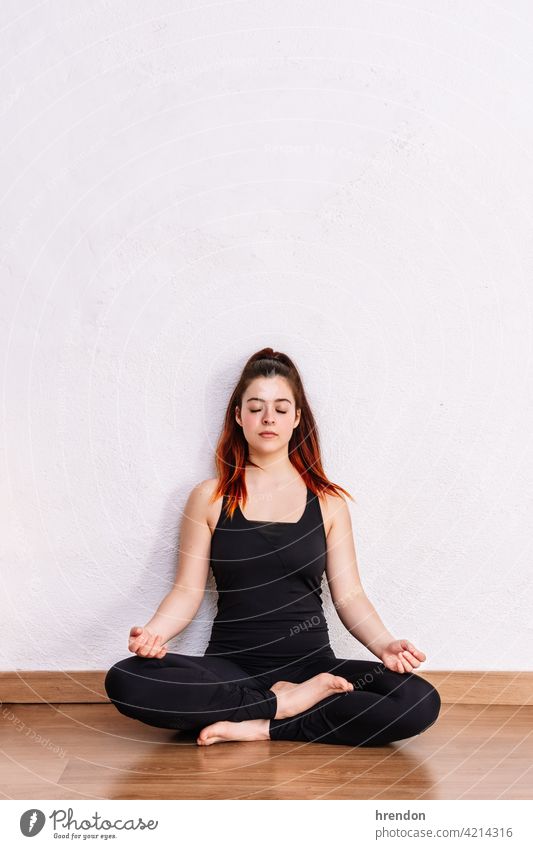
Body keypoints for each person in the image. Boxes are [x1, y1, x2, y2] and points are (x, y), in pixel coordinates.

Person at [104, 348, 441, 747]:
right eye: (256, 407)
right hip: (230, 668)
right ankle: (277, 705)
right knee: (127, 679)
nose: (268, 418)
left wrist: (385, 644)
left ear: (297, 419)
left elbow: (350, 595)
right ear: (238, 415)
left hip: (313, 667)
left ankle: (260, 722)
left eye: (281, 409)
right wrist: (154, 634)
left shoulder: (329, 502)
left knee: (418, 700)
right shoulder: (209, 497)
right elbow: (186, 591)